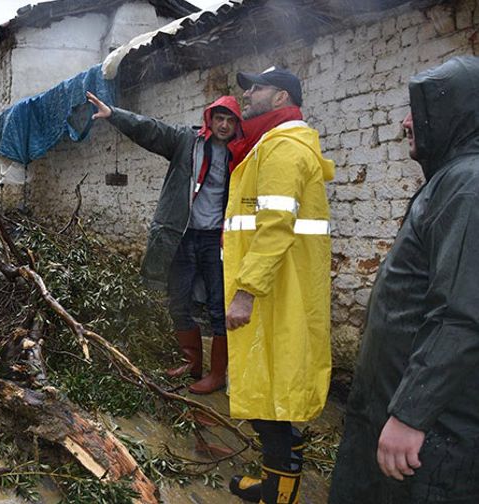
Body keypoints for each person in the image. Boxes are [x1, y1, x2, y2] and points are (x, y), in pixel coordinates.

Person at [328, 56, 479, 503]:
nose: (405, 122)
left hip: (431, 436)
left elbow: (460, 313)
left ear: (456, 112)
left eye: (420, 107)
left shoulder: (467, 186)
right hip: (398, 410)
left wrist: (411, 415)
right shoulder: (453, 179)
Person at [222, 67, 334, 504]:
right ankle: (276, 482)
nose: (247, 94)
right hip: (277, 288)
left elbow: (274, 227)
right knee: (269, 396)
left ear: (281, 95)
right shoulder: (271, 144)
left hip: (273, 292)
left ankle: (279, 493)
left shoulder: (284, 148)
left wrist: (246, 291)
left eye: (257, 87)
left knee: (271, 397)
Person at [85, 90, 241, 394]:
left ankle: (218, 373)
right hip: (180, 236)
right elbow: (151, 130)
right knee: (178, 300)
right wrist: (115, 114)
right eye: (219, 118)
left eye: (230, 120)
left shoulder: (241, 153)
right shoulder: (187, 141)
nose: (223, 125)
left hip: (217, 240)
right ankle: (191, 362)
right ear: (210, 119)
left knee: (218, 306)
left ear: (237, 125)